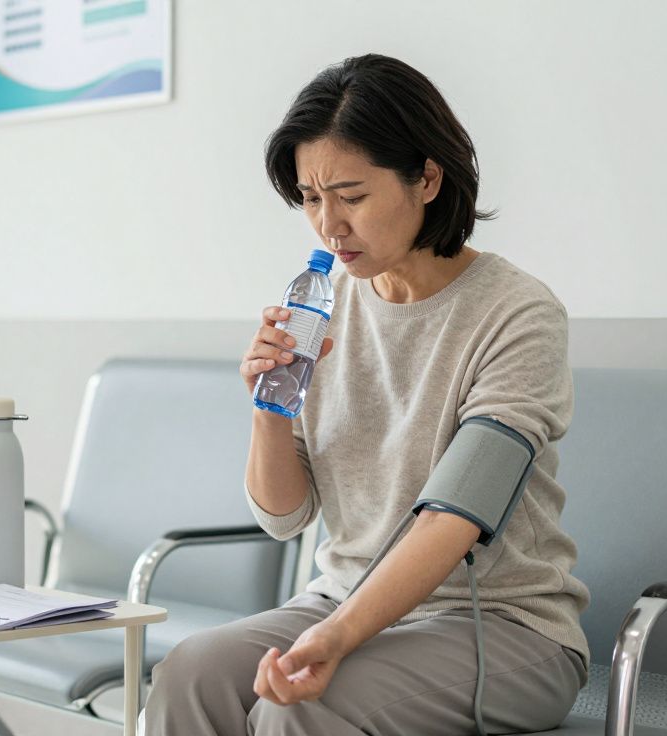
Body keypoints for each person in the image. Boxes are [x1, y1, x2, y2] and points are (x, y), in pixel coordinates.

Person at [142, 54, 590, 735]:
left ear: (427, 178)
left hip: (503, 629)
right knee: (189, 673)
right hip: (341, 597)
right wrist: (269, 410)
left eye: (351, 196)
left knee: (300, 708)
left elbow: (455, 516)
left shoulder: (517, 314)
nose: (328, 225)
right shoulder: (323, 313)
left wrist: (339, 637)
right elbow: (285, 519)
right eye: (311, 199)